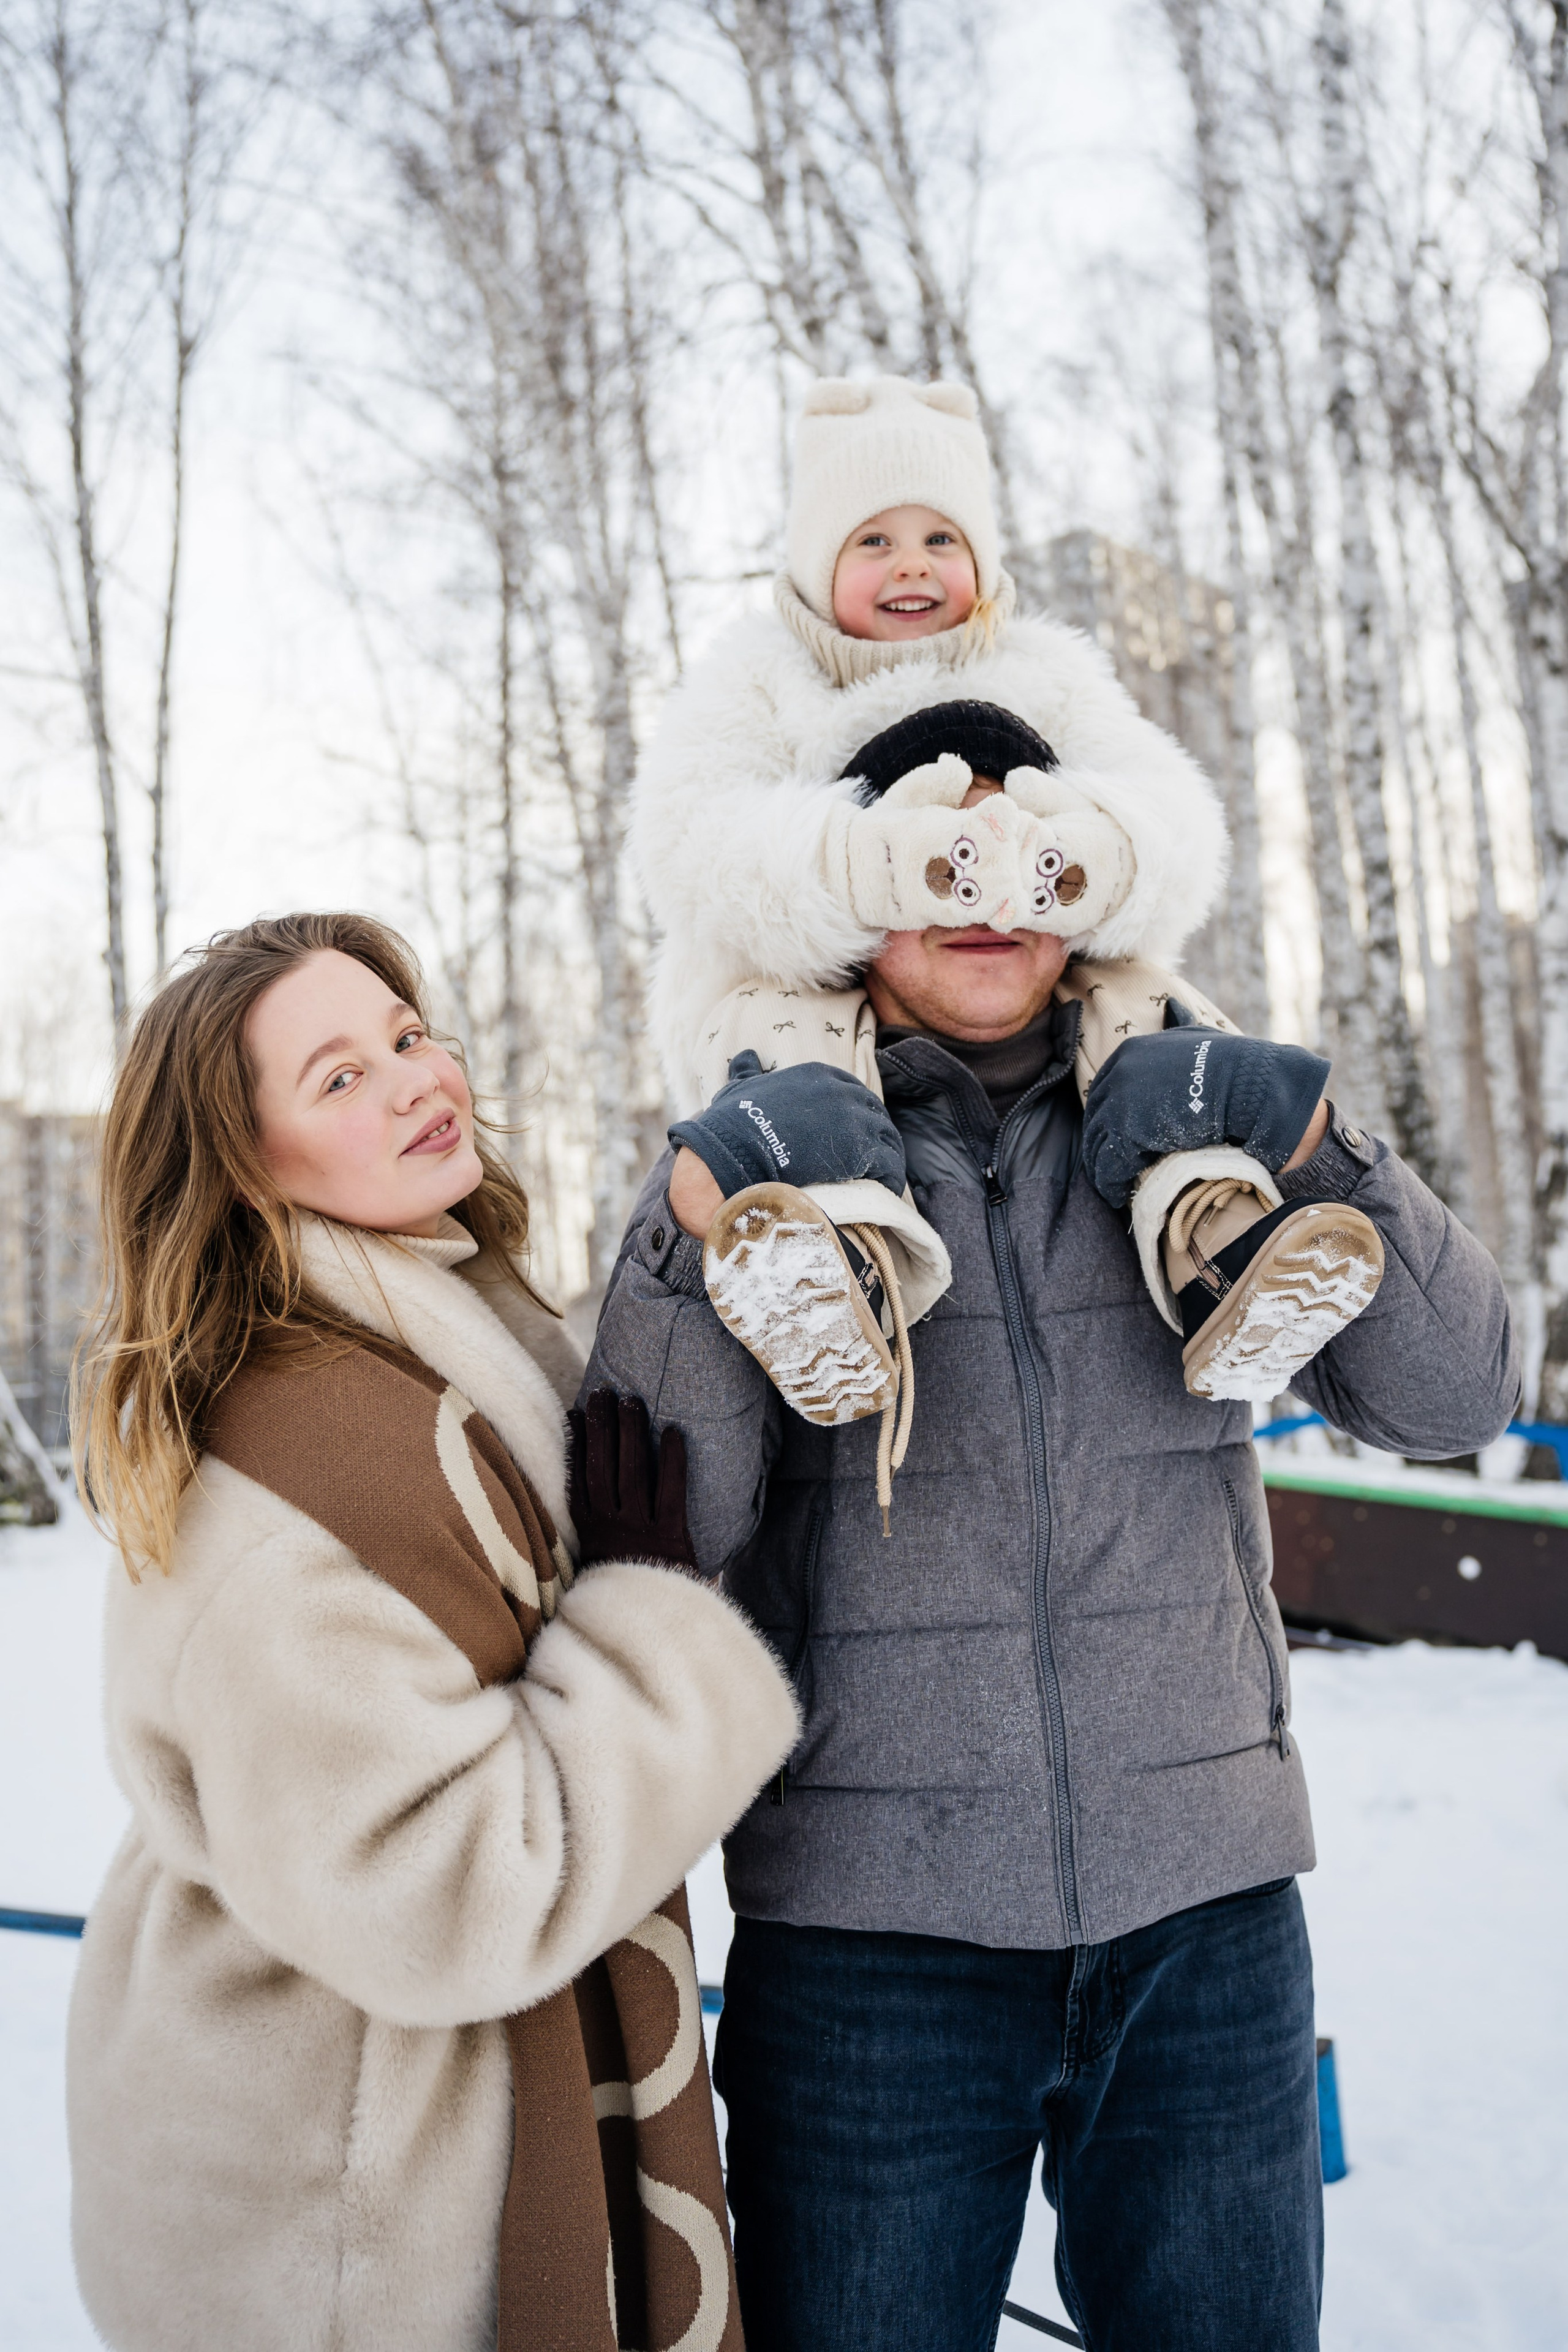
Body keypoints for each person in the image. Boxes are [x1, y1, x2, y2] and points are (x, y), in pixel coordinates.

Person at [584, 510, 1522, 2348]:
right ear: (858, 890)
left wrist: (1326, 1147)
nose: (987, 890)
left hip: (1206, 1927)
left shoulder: (1200, 1130)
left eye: (1025, 848)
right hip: (873, 1957)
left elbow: (1457, 1395)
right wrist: (696, 1228)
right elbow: (656, 1537)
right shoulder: (778, 1147)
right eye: (938, 855)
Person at [66, 910, 797, 2352]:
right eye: (337, 1077)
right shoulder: (282, 1478)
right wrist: (647, 1633)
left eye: (407, 1037)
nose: (415, 1080)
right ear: (240, 1165)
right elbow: (452, 1894)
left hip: (396, 2132)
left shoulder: (426, 1347)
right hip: (343, 2214)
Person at [637, 376, 1384, 1444]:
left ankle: (1226, 1241)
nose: (911, 565)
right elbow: (694, 843)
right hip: (802, 986)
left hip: (1039, 977)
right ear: (811, 566)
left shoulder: (1044, 672)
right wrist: (860, 862)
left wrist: (1091, 858)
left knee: (1145, 1021)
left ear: (986, 561)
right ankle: (837, 1274)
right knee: (801, 1058)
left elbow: (1172, 813)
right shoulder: (760, 681)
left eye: (942, 536)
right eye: (874, 541)